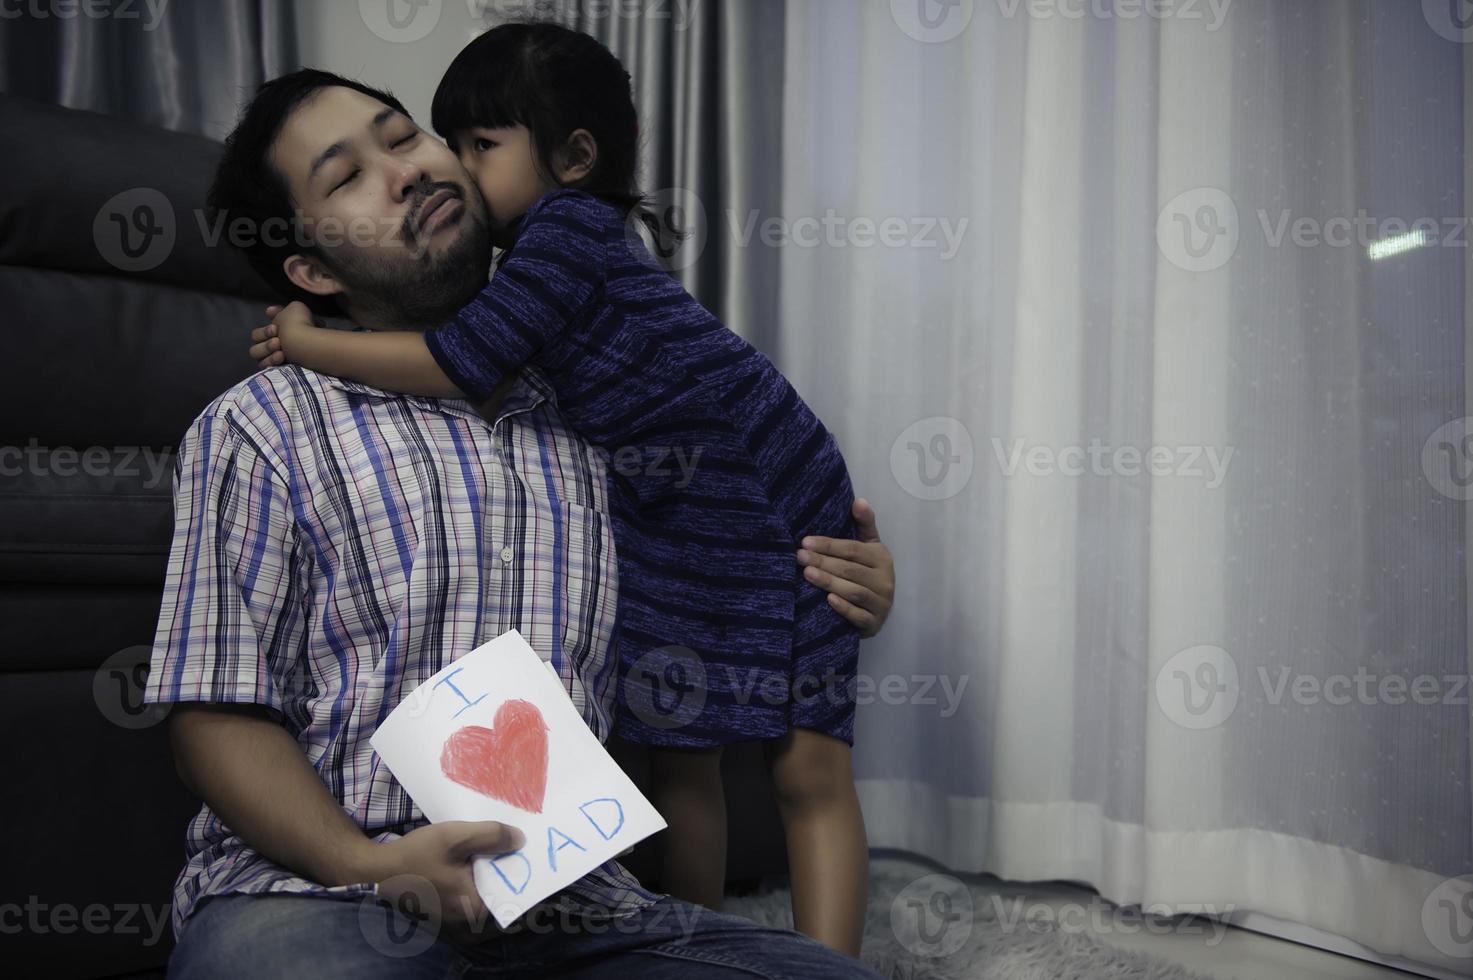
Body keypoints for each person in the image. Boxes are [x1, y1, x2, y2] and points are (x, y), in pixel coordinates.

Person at [147, 66, 895, 979]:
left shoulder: (612, 401)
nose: (406, 170)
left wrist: (837, 574)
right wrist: (375, 866)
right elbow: (211, 711)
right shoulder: (263, 426)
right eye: (345, 177)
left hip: (580, 909)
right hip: (323, 899)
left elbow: (741, 502)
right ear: (308, 269)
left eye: (403, 135)